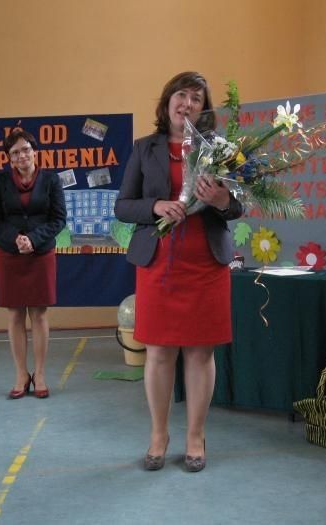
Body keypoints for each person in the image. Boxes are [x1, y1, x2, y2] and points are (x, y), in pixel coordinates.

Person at [114, 71, 243, 472]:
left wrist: (221, 199)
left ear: (204, 110)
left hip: (206, 264)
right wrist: (154, 206)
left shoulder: (219, 150)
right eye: (181, 95)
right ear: (168, 100)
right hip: (158, 264)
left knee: (200, 353)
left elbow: (238, 207)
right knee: (158, 352)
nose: (186, 103)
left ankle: (195, 436)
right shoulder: (144, 148)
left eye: (196, 99)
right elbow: (123, 206)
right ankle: (159, 434)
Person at [0, 129, 67, 399]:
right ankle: (21, 374)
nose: (21, 155)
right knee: (15, 314)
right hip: (9, 253)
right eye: (15, 152)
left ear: (35, 151)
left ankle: (40, 373)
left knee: (39, 314)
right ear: (9, 158)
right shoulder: (0, 182)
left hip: (41, 253)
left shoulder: (52, 180)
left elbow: (59, 219)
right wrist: (16, 238)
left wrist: (33, 239)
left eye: (25, 149)